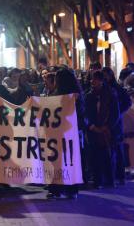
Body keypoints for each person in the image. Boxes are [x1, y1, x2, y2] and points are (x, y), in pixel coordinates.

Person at [47, 68, 86, 199]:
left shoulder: (73, 97)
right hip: (66, 132)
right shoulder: (72, 95)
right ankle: (68, 190)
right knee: (68, 161)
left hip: (65, 132)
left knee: (61, 161)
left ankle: (59, 189)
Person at [85, 70, 120, 188]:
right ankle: (97, 180)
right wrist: (92, 126)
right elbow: (86, 113)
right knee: (95, 156)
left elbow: (115, 113)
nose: (92, 81)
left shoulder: (111, 94)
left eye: (94, 79)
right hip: (94, 131)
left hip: (108, 131)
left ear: (101, 81)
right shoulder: (89, 95)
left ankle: (110, 179)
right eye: (91, 79)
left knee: (108, 156)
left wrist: (107, 126)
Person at [102, 67, 132, 185]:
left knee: (117, 150)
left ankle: (120, 175)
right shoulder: (102, 89)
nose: (105, 78)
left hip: (115, 124)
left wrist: (119, 112)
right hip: (104, 123)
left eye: (106, 76)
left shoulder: (117, 89)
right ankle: (109, 175)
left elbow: (127, 102)